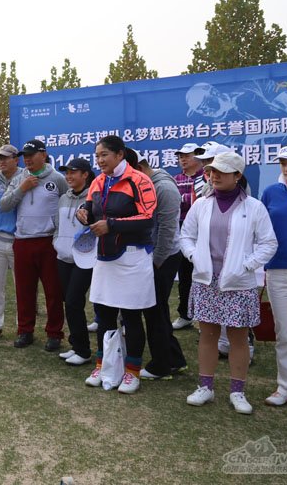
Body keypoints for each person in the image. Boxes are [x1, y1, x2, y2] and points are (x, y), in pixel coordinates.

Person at [181, 152, 277, 413]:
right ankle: (205, 387)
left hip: (238, 282)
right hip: (206, 280)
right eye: (212, 171)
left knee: (238, 338)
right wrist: (195, 256)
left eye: (221, 172)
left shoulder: (254, 207)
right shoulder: (201, 205)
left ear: (237, 175)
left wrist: (246, 265)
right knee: (208, 335)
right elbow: (186, 236)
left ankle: (238, 391)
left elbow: (269, 243)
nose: (214, 176)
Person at [77, 135, 157, 395]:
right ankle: (104, 366)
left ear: (120, 154)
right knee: (104, 314)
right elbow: (91, 210)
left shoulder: (139, 180)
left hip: (133, 256)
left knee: (131, 316)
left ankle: (132, 371)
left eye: (104, 155)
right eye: (97, 156)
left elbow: (147, 218)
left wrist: (111, 225)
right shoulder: (98, 181)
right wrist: (83, 214)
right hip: (104, 256)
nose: (100, 160)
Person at [0, 139, 67, 350]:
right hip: (23, 241)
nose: (27, 159)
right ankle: (25, 331)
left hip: (48, 242)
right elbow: (4, 205)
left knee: (53, 291)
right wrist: (22, 188)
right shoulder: (19, 178)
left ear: (43, 155)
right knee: (24, 291)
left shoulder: (57, 179)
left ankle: (54, 333)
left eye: (31, 155)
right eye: (25, 156)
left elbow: (66, 207)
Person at [135, 156, 187, 379]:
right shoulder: (148, 183)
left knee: (155, 310)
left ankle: (161, 365)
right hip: (151, 256)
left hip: (163, 258)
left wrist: (155, 262)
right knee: (157, 310)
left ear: (139, 168)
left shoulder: (164, 188)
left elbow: (167, 231)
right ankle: (174, 359)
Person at [259, 143, 287, 415]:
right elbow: (262, 232)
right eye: (283, 163)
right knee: (284, 333)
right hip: (277, 271)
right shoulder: (271, 192)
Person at [53, 158, 95, 365]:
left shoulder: (93, 198)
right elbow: (57, 225)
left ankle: (83, 350)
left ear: (85, 175)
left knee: (73, 301)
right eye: (66, 172)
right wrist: (57, 242)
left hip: (83, 259)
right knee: (69, 303)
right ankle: (76, 345)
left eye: (73, 172)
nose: (68, 176)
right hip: (63, 257)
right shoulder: (63, 197)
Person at [0, 144, 24, 341]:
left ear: (16, 159)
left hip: (20, 240)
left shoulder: (25, 179)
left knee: (22, 286)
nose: (2, 161)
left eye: (6, 157)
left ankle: (23, 326)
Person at [172, 143, 205, 330]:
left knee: (203, 274)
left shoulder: (206, 177)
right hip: (182, 229)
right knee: (184, 275)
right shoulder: (175, 179)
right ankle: (185, 314)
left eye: (187, 155)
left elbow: (199, 203)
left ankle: (203, 317)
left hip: (204, 230)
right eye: (180, 156)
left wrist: (184, 201)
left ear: (198, 157)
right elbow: (174, 204)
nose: (182, 159)